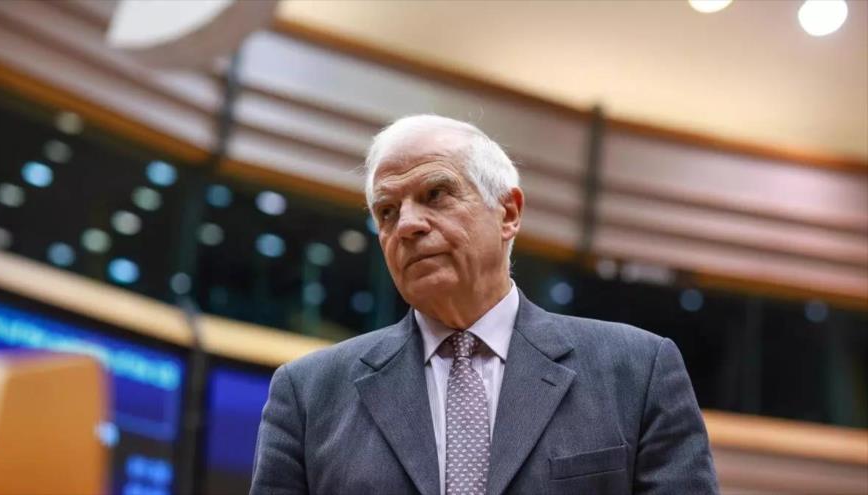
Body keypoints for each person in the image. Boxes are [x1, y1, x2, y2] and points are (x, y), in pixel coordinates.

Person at [250, 115, 718, 495]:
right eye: (387, 212)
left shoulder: (636, 372)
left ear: (509, 214)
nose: (408, 224)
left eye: (436, 195)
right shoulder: (308, 395)